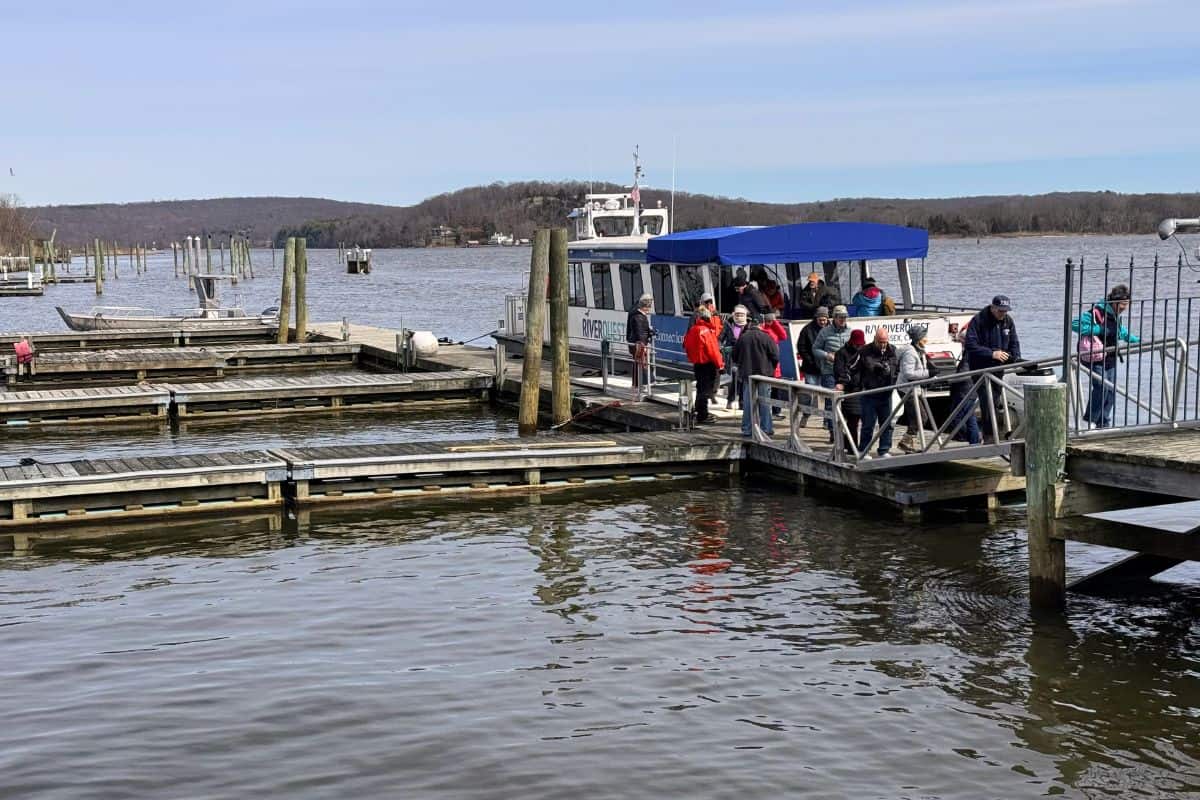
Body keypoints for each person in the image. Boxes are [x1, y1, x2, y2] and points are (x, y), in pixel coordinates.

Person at [1071, 284, 1140, 428]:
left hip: (1111, 358)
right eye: (1123, 304)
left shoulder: (1116, 316)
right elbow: (1075, 324)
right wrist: (1099, 329)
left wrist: (1138, 341)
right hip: (1094, 358)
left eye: (1127, 304)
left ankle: (1103, 422)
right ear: (1114, 302)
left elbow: (1122, 333)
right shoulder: (1096, 312)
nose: (1125, 308)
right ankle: (1093, 419)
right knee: (1101, 387)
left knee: (1111, 391)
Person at [964, 294, 1021, 439]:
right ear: (992, 308)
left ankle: (995, 434)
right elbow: (970, 345)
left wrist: (1016, 358)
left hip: (998, 368)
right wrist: (991, 354)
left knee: (994, 400)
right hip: (980, 368)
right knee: (987, 401)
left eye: (1005, 311)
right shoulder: (978, 320)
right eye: (1000, 311)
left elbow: (1014, 342)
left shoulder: (1008, 321)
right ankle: (990, 437)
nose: (1003, 314)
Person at [853, 328, 900, 458]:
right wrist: (859, 386)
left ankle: (884, 449)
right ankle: (864, 450)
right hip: (869, 393)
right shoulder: (864, 351)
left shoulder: (893, 350)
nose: (883, 344)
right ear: (875, 339)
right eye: (880, 342)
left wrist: (891, 375)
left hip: (886, 392)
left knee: (887, 423)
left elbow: (897, 368)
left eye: (885, 342)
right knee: (868, 424)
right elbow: (857, 369)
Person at [733, 313, 779, 437]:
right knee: (765, 402)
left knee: (748, 402)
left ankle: (747, 428)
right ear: (761, 323)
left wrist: (742, 365)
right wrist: (771, 369)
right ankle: (766, 428)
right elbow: (775, 356)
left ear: (751, 323)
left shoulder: (743, 337)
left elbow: (734, 355)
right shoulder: (766, 337)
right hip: (764, 374)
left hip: (748, 374)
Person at [812, 305, 852, 437]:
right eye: (840, 317)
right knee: (831, 402)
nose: (843, 320)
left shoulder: (850, 332)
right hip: (829, 372)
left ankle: (845, 430)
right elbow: (815, 349)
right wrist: (827, 355)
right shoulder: (824, 332)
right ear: (834, 318)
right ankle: (833, 432)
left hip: (845, 373)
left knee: (846, 402)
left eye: (845, 317)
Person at [683, 306, 724, 424]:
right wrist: (720, 365)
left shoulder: (693, 330)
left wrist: (693, 358)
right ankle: (703, 414)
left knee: (700, 388)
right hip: (707, 364)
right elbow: (713, 350)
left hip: (697, 364)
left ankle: (699, 411)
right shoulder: (706, 331)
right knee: (705, 390)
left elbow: (686, 345)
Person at [897, 324, 935, 453]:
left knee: (918, 417)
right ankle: (905, 442)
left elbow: (920, 369)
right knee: (921, 417)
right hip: (906, 389)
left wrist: (929, 376)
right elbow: (908, 373)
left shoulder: (920, 350)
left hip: (915, 389)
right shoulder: (910, 353)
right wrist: (928, 374)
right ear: (918, 338)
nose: (927, 339)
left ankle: (907, 444)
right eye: (924, 337)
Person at [833, 328, 866, 453]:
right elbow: (839, 371)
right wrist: (843, 382)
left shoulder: (863, 352)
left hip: (861, 389)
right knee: (852, 419)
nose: (859, 346)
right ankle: (852, 447)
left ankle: (850, 445)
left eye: (861, 344)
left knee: (855, 420)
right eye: (857, 344)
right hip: (848, 390)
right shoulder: (841, 353)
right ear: (851, 342)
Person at [762, 310, 790, 419]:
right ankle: (766, 411)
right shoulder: (763, 329)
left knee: (776, 389)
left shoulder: (774, 328)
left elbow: (783, 335)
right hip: (766, 363)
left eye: (771, 320)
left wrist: (775, 322)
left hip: (776, 365)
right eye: (768, 320)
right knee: (766, 389)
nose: (769, 322)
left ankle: (776, 411)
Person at [719, 305, 748, 409]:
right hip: (732, 356)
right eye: (737, 315)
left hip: (745, 356)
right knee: (736, 378)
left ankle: (742, 402)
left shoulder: (748, 326)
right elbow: (720, 338)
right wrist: (723, 348)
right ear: (733, 315)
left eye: (741, 315)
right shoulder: (728, 324)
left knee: (743, 379)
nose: (739, 317)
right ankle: (730, 400)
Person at [626, 293, 654, 395]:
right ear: (645, 306)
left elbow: (643, 330)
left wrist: (650, 332)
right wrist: (643, 345)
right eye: (648, 306)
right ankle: (643, 385)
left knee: (638, 363)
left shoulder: (636, 315)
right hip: (639, 344)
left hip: (636, 343)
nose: (649, 309)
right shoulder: (639, 317)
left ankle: (637, 384)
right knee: (643, 364)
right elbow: (639, 332)